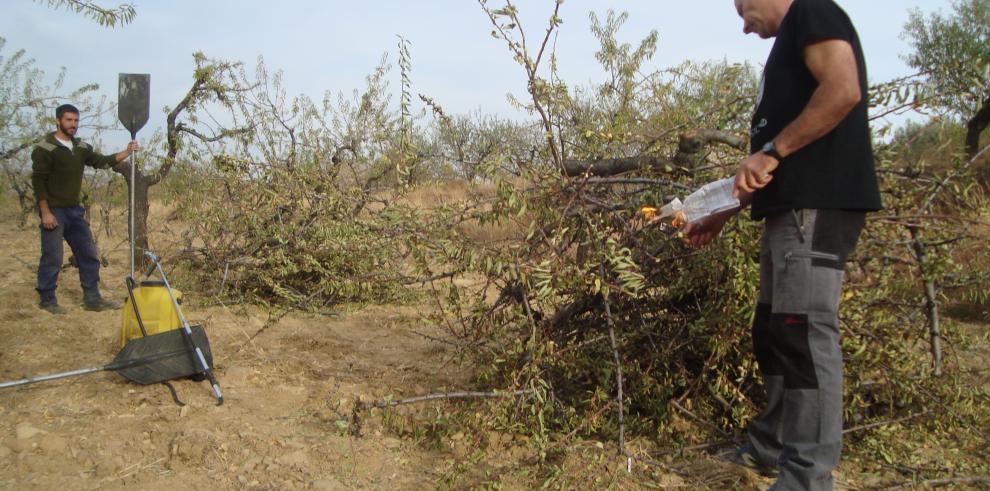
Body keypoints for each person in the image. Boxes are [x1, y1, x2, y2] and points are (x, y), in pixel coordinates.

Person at [683, 1, 882, 490]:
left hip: (818, 206)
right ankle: (772, 445)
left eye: (743, 8)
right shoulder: (790, 40)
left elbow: (843, 89)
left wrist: (774, 149)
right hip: (786, 211)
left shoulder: (813, 12)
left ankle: (807, 476)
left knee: (803, 334)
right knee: (774, 332)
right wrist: (724, 212)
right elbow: (766, 166)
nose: (743, 24)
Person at [31, 103, 139, 314]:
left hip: (74, 210)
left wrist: (127, 151)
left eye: (76, 121)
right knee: (52, 257)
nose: (73, 125)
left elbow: (102, 161)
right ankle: (47, 300)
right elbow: (38, 182)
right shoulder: (45, 148)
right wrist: (45, 212)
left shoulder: (80, 147)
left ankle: (92, 298)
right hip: (53, 211)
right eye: (69, 120)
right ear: (58, 121)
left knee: (88, 254)